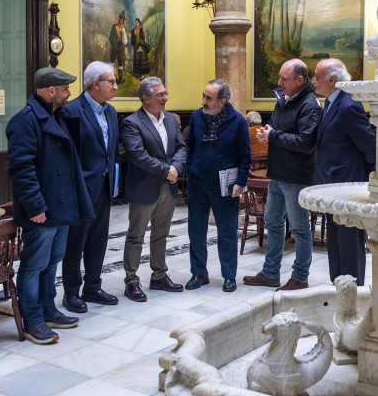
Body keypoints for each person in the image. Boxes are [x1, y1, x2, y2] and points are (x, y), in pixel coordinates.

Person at [6, 67, 95, 344]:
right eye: (66, 89)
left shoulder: (58, 116)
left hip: (61, 207)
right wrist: (35, 206)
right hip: (42, 209)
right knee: (33, 265)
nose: (70, 94)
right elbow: (22, 169)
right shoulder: (25, 120)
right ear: (51, 91)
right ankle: (31, 319)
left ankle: (47, 308)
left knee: (51, 262)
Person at [243, 59, 322, 291]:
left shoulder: (310, 105)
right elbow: (280, 130)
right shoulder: (283, 99)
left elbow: (306, 142)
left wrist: (273, 136)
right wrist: (267, 132)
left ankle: (299, 277)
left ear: (300, 80)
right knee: (273, 223)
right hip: (277, 174)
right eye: (279, 77)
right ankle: (270, 273)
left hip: (296, 177)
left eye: (284, 79)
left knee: (299, 228)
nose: (279, 82)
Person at [61, 61, 121, 313]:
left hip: (105, 185)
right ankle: (71, 293)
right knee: (76, 242)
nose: (116, 87)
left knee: (98, 239)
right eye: (112, 82)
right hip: (81, 187)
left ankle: (93, 287)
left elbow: (112, 151)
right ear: (95, 84)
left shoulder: (110, 111)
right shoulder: (72, 111)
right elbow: (67, 154)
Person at [120, 77, 187, 302]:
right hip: (144, 187)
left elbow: (181, 147)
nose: (166, 98)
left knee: (161, 234)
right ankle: (131, 280)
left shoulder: (170, 119)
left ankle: (159, 275)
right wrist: (166, 170)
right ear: (146, 98)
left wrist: (176, 168)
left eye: (165, 93)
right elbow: (138, 156)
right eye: (160, 95)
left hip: (168, 187)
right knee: (136, 236)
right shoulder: (132, 123)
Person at [312, 58, 376, 286]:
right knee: (336, 240)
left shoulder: (349, 105)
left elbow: (370, 145)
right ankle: (338, 287)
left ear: (331, 80)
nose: (313, 81)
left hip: (348, 187)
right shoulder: (330, 102)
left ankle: (354, 292)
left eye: (317, 77)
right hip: (332, 187)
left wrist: (375, 179)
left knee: (349, 242)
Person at [185, 79, 251, 292]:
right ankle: (198, 273)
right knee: (196, 230)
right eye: (203, 95)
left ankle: (229, 276)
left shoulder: (237, 121)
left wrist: (240, 182)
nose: (203, 101)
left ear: (222, 101)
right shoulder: (196, 116)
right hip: (197, 183)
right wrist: (191, 167)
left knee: (227, 231)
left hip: (225, 185)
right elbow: (190, 146)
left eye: (208, 98)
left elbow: (245, 155)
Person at [109, 10, 128, 84]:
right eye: (121, 19)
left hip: (120, 47)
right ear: (119, 19)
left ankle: (120, 79)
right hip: (114, 46)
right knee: (112, 61)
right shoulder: (114, 27)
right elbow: (110, 37)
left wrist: (123, 43)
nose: (121, 20)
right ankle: (111, 78)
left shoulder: (123, 29)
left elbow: (125, 41)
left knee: (120, 61)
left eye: (122, 19)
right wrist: (113, 45)